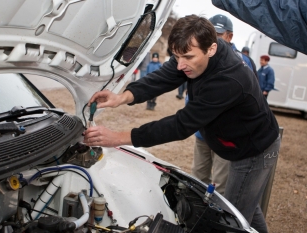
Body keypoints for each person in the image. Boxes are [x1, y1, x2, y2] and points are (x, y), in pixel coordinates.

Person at [83, 15, 280, 232]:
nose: (180, 64)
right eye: (176, 56)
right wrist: (123, 97)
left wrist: (118, 138)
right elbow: (164, 77)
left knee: (235, 219)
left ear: (212, 49)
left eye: (187, 57)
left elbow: (181, 125)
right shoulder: (194, 50)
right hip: (234, 141)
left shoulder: (230, 79)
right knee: (246, 208)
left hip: (254, 149)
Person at [189, 14, 258, 195]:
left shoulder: (242, 62)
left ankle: (216, 220)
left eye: (217, 35)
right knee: (196, 178)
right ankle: (194, 216)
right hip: (202, 133)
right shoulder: (200, 58)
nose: (212, 40)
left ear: (229, 36)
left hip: (226, 136)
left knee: (220, 184)